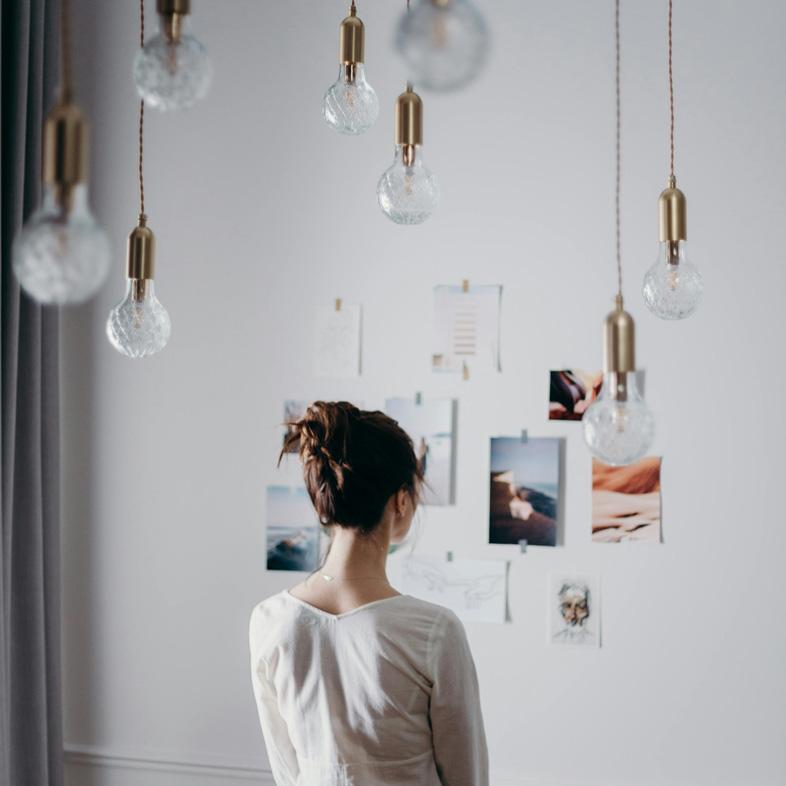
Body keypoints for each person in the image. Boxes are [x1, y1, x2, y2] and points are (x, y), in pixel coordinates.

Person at [249, 401, 489, 786]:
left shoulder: (269, 620)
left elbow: (287, 772)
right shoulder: (434, 631)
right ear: (401, 501)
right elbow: (467, 779)